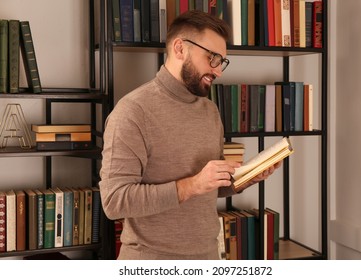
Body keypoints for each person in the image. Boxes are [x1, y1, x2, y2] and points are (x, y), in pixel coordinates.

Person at [99, 10, 281, 260]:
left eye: (222, 62)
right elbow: (114, 201)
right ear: (180, 48)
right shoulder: (132, 112)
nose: (218, 71)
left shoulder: (210, 110)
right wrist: (192, 185)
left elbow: (209, 188)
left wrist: (247, 178)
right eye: (212, 58)